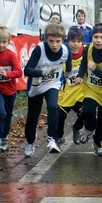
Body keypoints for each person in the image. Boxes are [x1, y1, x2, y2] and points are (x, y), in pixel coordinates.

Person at [23, 23, 72, 157]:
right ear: (46, 39)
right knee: (33, 117)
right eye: (51, 41)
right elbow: (27, 70)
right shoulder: (40, 49)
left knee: (53, 106)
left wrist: (68, 76)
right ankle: (29, 141)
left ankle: (52, 138)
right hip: (36, 85)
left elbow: (68, 66)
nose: (55, 45)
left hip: (53, 84)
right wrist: (40, 72)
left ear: (63, 40)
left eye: (58, 41)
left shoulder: (66, 49)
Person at [74, 24, 102, 156]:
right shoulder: (88, 49)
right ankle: (89, 128)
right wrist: (80, 76)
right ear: (92, 37)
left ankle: (98, 142)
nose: (98, 40)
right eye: (95, 37)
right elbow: (83, 66)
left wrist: (95, 70)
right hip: (91, 89)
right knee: (87, 111)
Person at [57, 27, 85, 145]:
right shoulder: (62, 53)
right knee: (60, 116)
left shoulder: (85, 52)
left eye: (78, 42)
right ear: (68, 41)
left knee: (86, 114)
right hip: (66, 91)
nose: (76, 44)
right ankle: (58, 136)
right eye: (73, 41)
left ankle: (77, 128)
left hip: (81, 92)